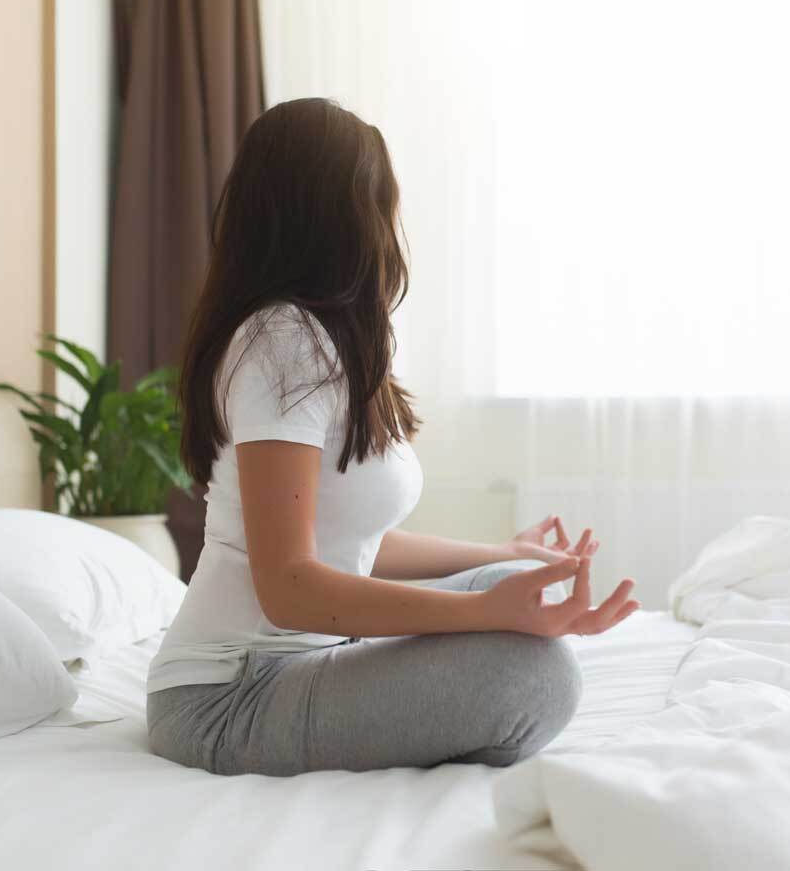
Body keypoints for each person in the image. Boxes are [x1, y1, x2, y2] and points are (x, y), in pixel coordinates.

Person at [146, 97, 639, 776]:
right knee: (537, 676)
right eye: (381, 203)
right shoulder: (278, 341)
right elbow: (288, 589)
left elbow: (351, 544)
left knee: (520, 585)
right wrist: (481, 613)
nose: (390, 227)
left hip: (306, 657)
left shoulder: (321, 342)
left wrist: (504, 554)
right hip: (228, 694)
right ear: (341, 214)